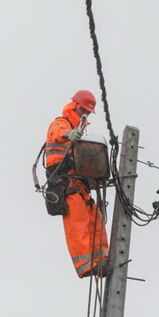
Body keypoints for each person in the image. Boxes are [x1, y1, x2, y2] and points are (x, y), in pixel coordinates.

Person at [43, 90, 110, 278]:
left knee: (95, 219)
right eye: (85, 111)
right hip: (65, 184)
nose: (86, 116)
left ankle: (103, 260)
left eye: (88, 113)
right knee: (78, 222)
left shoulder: (80, 133)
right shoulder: (61, 123)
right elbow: (56, 132)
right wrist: (69, 133)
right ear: (76, 107)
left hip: (80, 185)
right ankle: (86, 264)